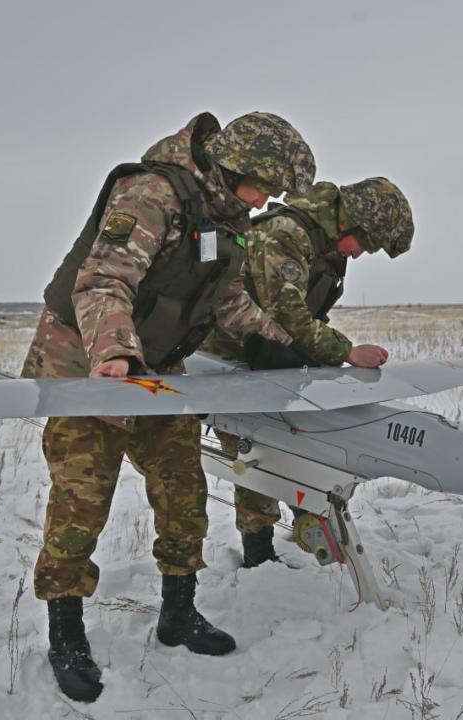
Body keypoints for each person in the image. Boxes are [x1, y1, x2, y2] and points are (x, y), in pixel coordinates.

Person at [20, 111, 315, 702]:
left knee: (182, 487)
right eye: (265, 186)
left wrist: (282, 346)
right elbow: (103, 281)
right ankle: (66, 633)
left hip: (155, 366)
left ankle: (179, 613)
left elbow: (228, 300)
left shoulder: (226, 216)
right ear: (237, 166)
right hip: (90, 362)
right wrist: (114, 353)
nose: (265, 202)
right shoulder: (152, 193)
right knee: (82, 500)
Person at [199, 177, 414, 567]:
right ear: (351, 221)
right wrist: (346, 352)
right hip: (229, 361)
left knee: (289, 446)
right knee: (255, 451)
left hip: (269, 358)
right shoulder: (285, 235)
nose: (360, 254)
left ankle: (303, 520)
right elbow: (288, 317)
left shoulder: (323, 246)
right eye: (365, 243)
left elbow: (303, 315)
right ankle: (259, 557)